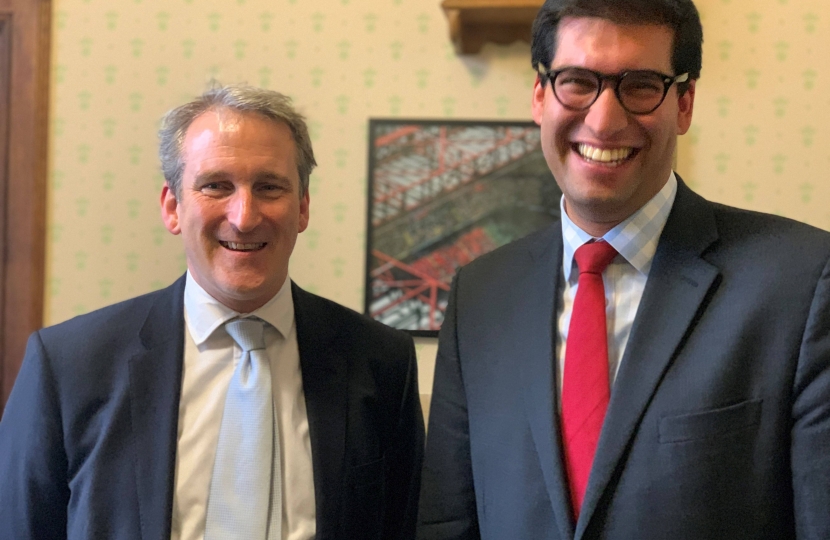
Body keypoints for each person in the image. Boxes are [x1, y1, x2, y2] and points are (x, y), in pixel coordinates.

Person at [417, 0, 830, 538]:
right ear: (540, 96)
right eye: (576, 81)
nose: (605, 119)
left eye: (639, 85)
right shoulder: (480, 295)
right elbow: (447, 523)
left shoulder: (800, 282)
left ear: (684, 103)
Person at [0, 84, 424, 540]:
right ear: (172, 207)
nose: (244, 216)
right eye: (215, 186)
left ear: (302, 207)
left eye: (269, 187)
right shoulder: (69, 364)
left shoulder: (381, 361)